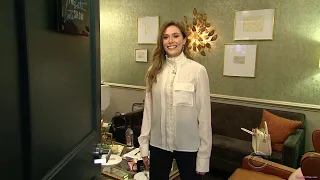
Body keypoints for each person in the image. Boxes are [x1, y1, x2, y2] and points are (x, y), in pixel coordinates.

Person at [138, 20, 212, 180]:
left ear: (184, 40)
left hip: (189, 146)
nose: (170, 41)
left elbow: (204, 117)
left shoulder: (198, 71)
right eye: (165, 37)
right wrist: (144, 147)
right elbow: (148, 112)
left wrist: (203, 158)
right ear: (161, 42)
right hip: (159, 145)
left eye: (175, 36)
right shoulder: (153, 71)